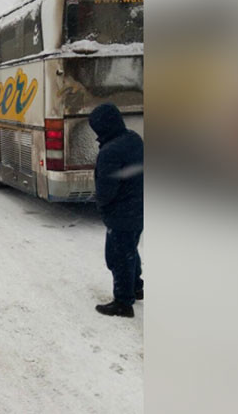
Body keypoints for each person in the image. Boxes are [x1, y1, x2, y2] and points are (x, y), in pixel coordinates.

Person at [89, 103, 144, 318]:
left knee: (117, 256)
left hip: (121, 212)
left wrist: (101, 204)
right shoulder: (134, 138)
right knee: (129, 249)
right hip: (139, 207)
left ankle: (123, 303)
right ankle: (136, 286)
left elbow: (107, 189)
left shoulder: (110, 152)